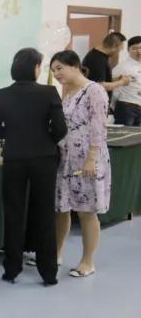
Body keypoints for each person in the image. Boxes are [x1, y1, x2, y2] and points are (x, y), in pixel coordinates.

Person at [0, 48, 68, 286]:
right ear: (35, 68)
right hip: (44, 157)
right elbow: (60, 128)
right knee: (45, 213)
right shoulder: (49, 92)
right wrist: (46, 139)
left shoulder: (1, 95)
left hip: (14, 157)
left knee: (13, 212)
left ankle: (11, 269)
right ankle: (48, 272)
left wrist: (13, 135)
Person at [51, 50, 112, 278]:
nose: (57, 74)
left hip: (87, 158)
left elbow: (99, 127)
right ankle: (55, 254)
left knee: (86, 211)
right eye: (53, 70)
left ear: (75, 65)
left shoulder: (94, 90)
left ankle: (88, 261)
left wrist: (91, 159)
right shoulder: (68, 92)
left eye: (59, 68)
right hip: (66, 158)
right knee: (61, 208)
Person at [82, 31, 131, 100]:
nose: (118, 53)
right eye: (119, 50)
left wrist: (116, 79)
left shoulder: (97, 54)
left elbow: (95, 78)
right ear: (114, 46)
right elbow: (100, 85)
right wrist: (121, 82)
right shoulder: (98, 59)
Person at [111, 36, 141, 126]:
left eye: (140, 48)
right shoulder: (122, 67)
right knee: (123, 134)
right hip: (127, 107)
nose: (138, 51)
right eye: (134, 48)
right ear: (128, 50)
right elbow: (112, 86)